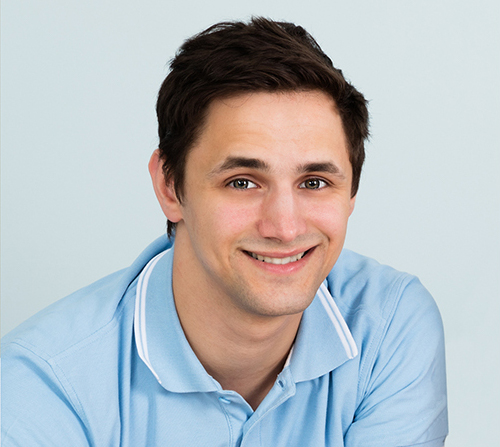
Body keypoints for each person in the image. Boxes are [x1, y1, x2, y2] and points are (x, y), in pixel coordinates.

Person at [1, 17, 448, 446]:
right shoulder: (42, 386)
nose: (285, 227)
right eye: (242, 183)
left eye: (314, 183)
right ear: (170, 187)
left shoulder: (389, 326)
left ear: (351, 193)